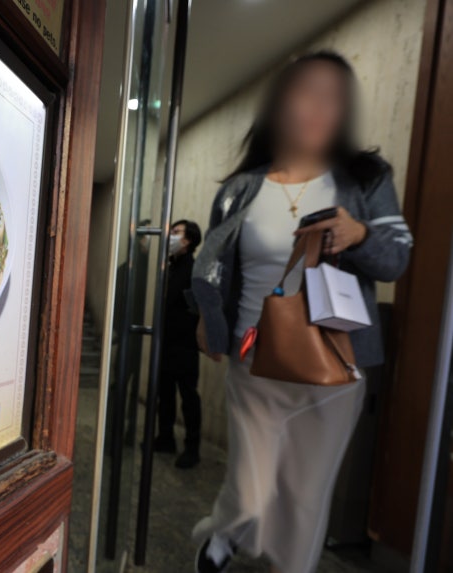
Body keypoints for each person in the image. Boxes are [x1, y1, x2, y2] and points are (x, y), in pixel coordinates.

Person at [190, 51, 412, 573]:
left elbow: (397, 257)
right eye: (304, 92)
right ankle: (226, 531)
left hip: (335, 367)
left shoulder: (364, 178)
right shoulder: (240, 188)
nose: (317, 106)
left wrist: (359, 234)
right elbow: (216, 263)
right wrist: (208, 319)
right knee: (249, 488)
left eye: (332, 96)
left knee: (304, 498)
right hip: (253, 360)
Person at [154, 219, 203, 469]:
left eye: (175, 233)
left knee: (188, 397)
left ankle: (192, 448)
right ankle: (165, 438)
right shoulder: (171, 267)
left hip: (185, 345)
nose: (170, 236)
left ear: (188, 240)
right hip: (167, 342)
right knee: (165, 394)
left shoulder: (194, 270)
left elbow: (197, 308)